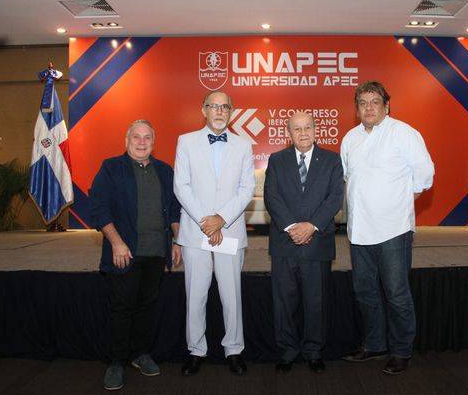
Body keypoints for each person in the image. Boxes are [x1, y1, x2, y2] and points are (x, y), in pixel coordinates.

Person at [341, 81, 434, 374]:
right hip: (358, 231)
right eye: (363, 103)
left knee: (396, 293)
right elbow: (348, 179)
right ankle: (374, 344)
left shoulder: (404, 133)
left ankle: (402, 350)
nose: (369, 107)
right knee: (365, 292)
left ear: (386, 106)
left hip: (394, 230)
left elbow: (425, 175)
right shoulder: (350, 138)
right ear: (357, 109)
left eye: (375, 102)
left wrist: (399, 204)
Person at [90, 119, 182, 390]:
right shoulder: (111, 168)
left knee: (146, 306)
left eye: (147, 138)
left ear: (154, 143)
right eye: (137, 137)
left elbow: (174, 210)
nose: (142, 142)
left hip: (156, 252)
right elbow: (99, 208)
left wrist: (177, 240)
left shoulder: (165, 171)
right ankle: (117, 362)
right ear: (126, 141)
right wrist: (116, 243)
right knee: (122, 309)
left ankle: (140, 354)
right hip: (125, 253)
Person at [174, 91, 255, 376]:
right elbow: (181, 186)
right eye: (214, 106)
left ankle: (234, 350)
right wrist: (205, 220)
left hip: (229, 229)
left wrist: (220, 219)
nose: (219, 111)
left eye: (225, 107)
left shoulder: (244, 146)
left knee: (231, 295)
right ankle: (196, 350)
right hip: (195, 232)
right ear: (203, 109)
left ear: (231, 112)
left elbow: (247, 189)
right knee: (195, 296)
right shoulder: (185, 141)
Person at [264, 112, 344, 373]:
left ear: (316, 129)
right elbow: (271, 197)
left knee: (315, 300)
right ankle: (287, 350)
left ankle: (313, 350)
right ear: (289, 133)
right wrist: (291, 227)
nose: (303, 133)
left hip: (317, 242)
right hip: (284, 243)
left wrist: (311, 226)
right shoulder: (277, 160)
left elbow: (334, 198)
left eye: (307, 127)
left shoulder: (332, 160)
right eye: (296, 129)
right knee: (284, 301)